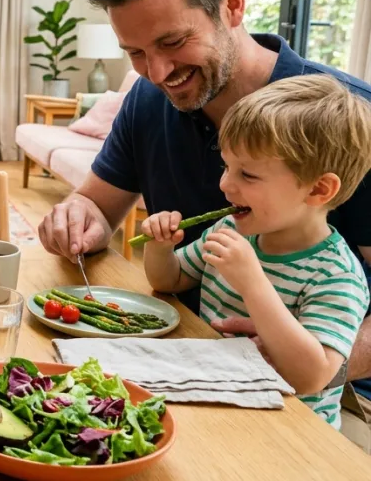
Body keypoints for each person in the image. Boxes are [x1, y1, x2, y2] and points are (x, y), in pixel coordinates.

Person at [37, 0, 371, 450]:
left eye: (173, 41)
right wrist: (78, 217)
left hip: (319, 401)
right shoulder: (147, 102)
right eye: (136, 52)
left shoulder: (348, 122)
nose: (157, 71)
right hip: (185, 363)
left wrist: (285, 361)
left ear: (232, 5)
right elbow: (98, 207)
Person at [141, 75, 371, 429]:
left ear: (318, 189)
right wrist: (160, 247)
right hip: (218, 398)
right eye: (226, 166)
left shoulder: (335, 275)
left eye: (247, 174)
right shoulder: (232, 230)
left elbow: (312, 377)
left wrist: (253, 283)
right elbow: (169, 279)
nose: (225, 184)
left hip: (288, 428)